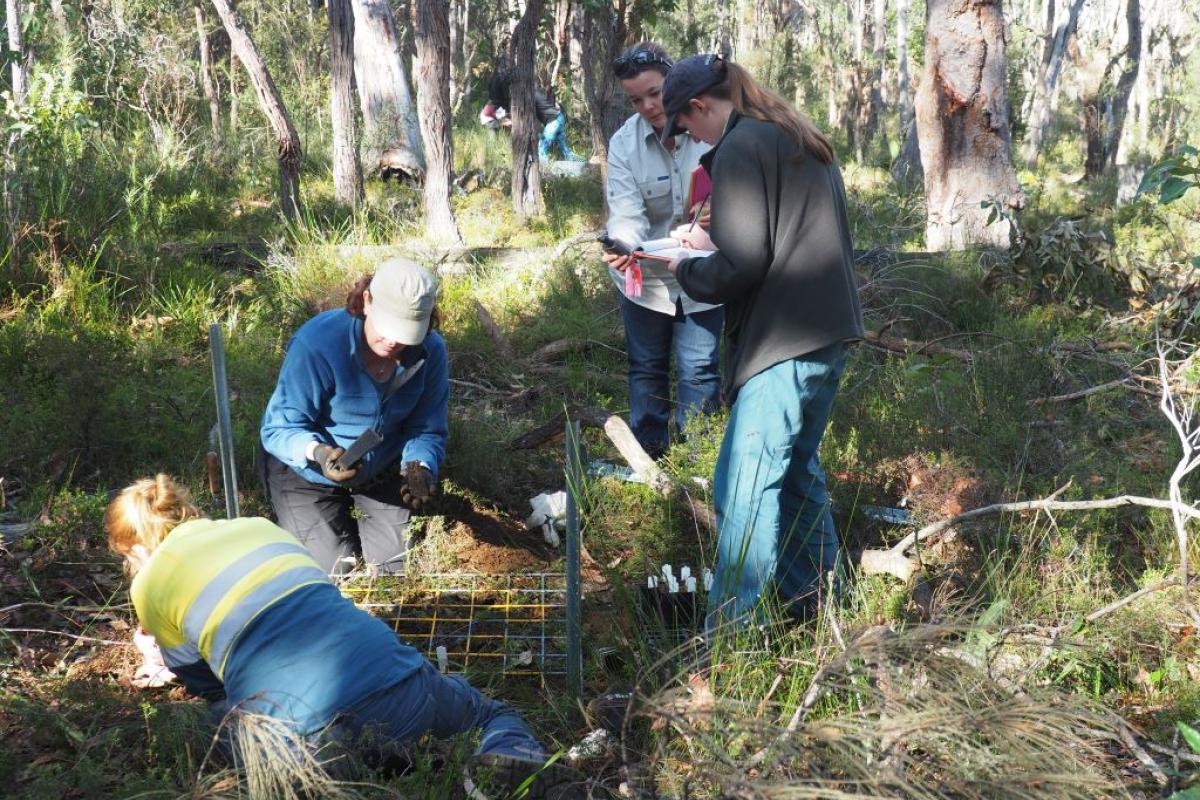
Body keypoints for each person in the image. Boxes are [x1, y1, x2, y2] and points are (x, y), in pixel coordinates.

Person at [105, 475, 583, 799]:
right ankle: (508, 760)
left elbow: (212, 687)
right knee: (488, 713)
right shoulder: (257, 527)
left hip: (307, 747)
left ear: (138, 546)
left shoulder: (148, 585)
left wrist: (162, 653)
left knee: (203, 723)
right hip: (403, 685)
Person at [661, 55, 865, 625]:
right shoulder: (792, 133)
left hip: (785, 341)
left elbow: (743, 262)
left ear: (700, 106)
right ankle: (823, 613)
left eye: (684, 126)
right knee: (796, 473)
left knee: (741, 488)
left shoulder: (742, 146)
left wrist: (685, 266)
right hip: (827, 332)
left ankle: (729, 641)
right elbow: (779, 237)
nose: (688, 137)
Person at [260, 257, 448, 576]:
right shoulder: (318, 344)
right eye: (388, 328)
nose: (393, 341)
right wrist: (319, 454)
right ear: (367, 300)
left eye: (407, 333)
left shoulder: (431, 352)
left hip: (383, 469)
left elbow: (427, 428)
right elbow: (279, 428)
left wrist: (419, 468)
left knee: (395, 570)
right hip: (306, 474)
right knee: (332, 572)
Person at [601, 42, 723, 460]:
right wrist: (623, 245)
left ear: (673, 81)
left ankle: (700, 460)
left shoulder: (709, 129)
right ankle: (649, 457)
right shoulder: (624, 145)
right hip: (645, 276)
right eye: (637, 100)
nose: (649, 106)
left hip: (703, 272)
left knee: (701, 368)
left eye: (655, 93)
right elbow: (625, 213)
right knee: (647, 367)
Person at [486, 68, 584, 163]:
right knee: (566, 152)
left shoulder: (529, 95)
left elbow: (524, 114)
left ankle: (545, 172)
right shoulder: (532, 92)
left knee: (541, 150)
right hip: (559, 118)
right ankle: (585, 163)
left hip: (553, 122)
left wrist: (508, 119)